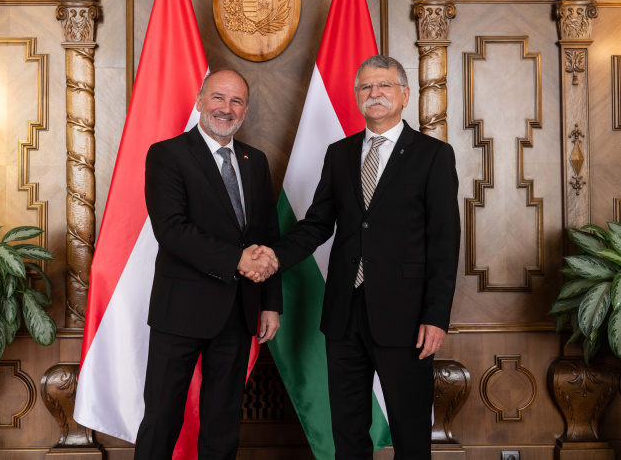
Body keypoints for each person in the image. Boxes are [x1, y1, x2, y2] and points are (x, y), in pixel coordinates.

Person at [247, 55, 460, 459]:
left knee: (410, 431)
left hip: (407, 315)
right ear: (357, 97)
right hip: (344, 311)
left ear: (405, 94)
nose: (374, 93)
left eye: (384, 85)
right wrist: (272, 256)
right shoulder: (340, 153)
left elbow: (444, 241)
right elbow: (316, 224)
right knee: (347, 430)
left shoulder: (433, 155)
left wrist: (436, 316)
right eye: (366, 87)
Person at [134, 67, 282, 460]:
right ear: (200, 101)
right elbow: (171, 230)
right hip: (179, 311)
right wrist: (237, 258)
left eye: (236, 101)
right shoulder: (167, 154)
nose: (226, 108)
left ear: (245, 110)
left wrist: (270, 303)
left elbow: (268, 236)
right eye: (218, 97)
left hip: (238, 311)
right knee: (161, 419)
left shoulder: (255, 160)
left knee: (223, 422)